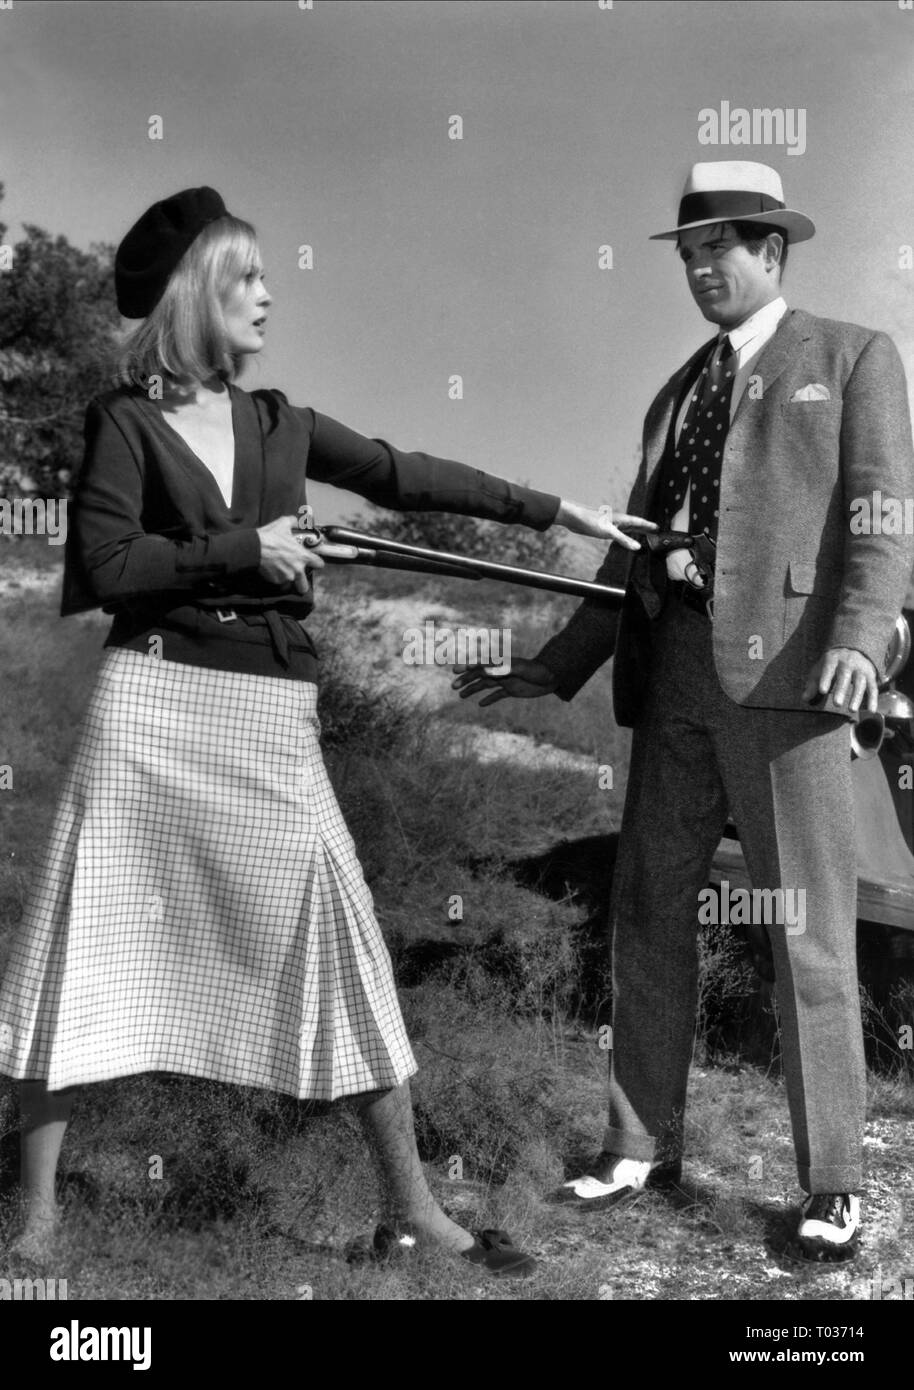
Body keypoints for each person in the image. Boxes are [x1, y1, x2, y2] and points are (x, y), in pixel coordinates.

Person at [0, 186, 654, 1276]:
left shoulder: (278, 422)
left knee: (339, 943)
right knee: (86, 944)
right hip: (151, 709)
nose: (266, 297)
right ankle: (39, 1218)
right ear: (194, 292)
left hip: (265, 715)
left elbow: (405, 473)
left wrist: (554, 510)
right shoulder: (123, 421)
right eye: (246, 278)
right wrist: (241, 550)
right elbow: (103, 571)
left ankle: (409, 1209)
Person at [455, 161, 914, 1263]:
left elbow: (880, 520)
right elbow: (634, 563)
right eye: (690, 252)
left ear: (772, 252)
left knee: (805, 930)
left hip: (792, 686)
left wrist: (858, 642)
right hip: (670, 688)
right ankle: (635, 1145)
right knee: (648, 913)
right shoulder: (676, 391)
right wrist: (553, 669)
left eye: (724, 247)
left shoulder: (850, 356)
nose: (704, 268)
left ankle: (833, 1184)